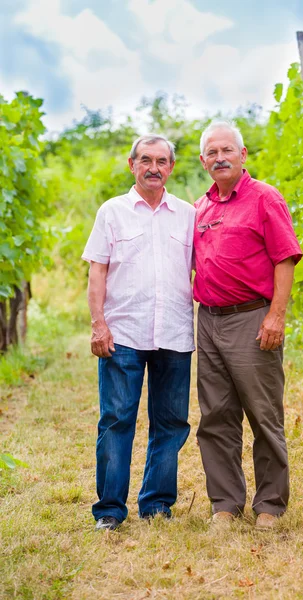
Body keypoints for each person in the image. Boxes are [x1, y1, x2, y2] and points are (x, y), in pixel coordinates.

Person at [82, 134, 195, 530]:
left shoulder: (187, 215)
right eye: (145, 159)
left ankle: (156, 504)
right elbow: (97, 271)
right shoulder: (111, 212)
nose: (153, 168)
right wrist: (99, 323)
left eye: (162, 161)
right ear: (131, 164)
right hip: (123, 334)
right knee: (116, 420)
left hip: (175, 334)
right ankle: (110, 510)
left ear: (171, 168)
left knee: (171, 422)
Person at [193, 121, 302, 529]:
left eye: (227, 150)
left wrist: (276, 315)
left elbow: (285, 259)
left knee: (263, 413)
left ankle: (270, 506)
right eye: (212, 152)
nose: (220, 158)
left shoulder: (264, 199)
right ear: (203, 161)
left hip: (252, 319)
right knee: (216, 416)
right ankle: (224, 504)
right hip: (209, 320)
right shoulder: (201, 208)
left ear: (243, 155)